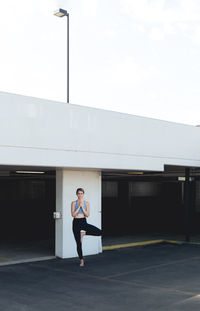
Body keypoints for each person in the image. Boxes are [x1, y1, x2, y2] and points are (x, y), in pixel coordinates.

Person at [71, 188, 102, 267]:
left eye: (81, 193)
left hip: (83, 221)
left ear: (83, 194)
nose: (80, 195)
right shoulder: (74, 203)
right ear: (76, 194)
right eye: (79, 193)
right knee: (78, 243)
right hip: (76, 223)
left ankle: (84, 233)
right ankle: (81, 260)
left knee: (99, 232)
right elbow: (73, 215)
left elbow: (87, 215)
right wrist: (79, 207)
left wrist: (82, 207)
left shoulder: (86, 203)